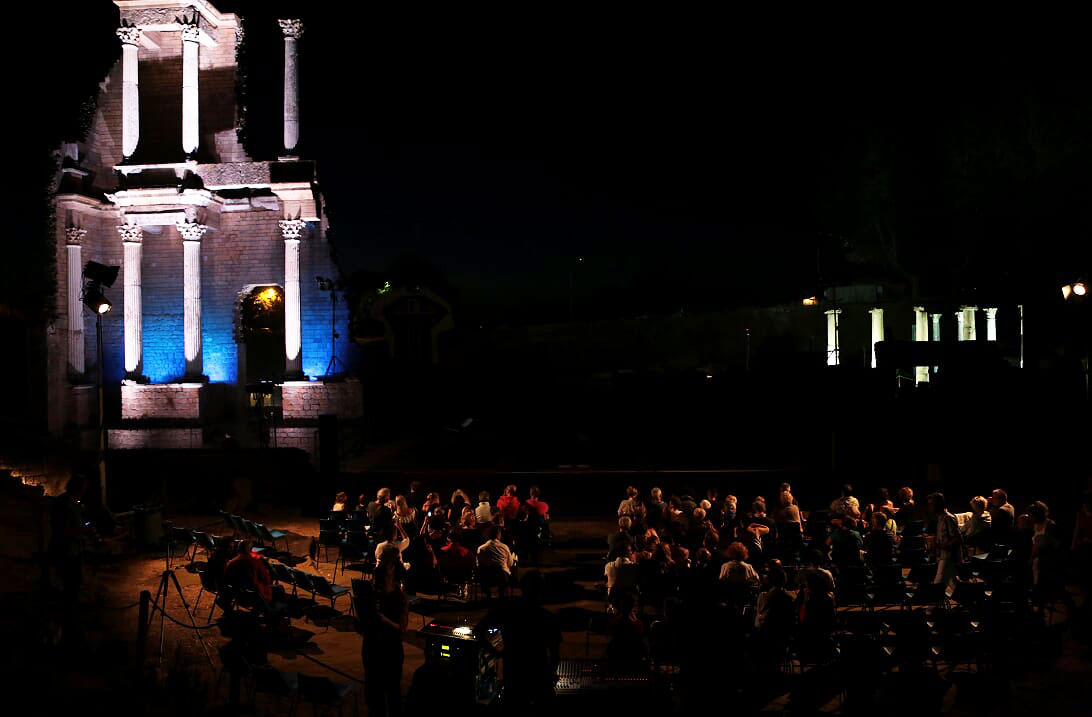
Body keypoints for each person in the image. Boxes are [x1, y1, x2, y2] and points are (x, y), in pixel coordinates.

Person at [477, 570, 562, 713]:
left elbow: (479, 631)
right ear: (542, 591)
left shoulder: (507, 611)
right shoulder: (547, 617)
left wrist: (498, 652)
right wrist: (551, 674)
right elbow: (555, 654)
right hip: (539, 676)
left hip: (513, 674)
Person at [51, 474, 94, 642]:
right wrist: (84, 532)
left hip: (72, 550)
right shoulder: (66, 504)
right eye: (83, 488)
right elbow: (65, 530)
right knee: (71, 587)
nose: (84, 492)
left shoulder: (72, 503)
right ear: (78, 488)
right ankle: (69, 626)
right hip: (67, 552)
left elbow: (78, 523)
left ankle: (71, 621)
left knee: (73, 586)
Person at [361, 565, 409, 717]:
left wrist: (383, 619)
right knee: (375, 693)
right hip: (372, 646)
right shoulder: (372, 595)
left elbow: (402, 627)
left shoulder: (399, 598)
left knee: (392, 690)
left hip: (390, 649)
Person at [929, 492, 961, 588]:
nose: (930, 507)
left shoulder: (948, 518)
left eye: (931, 504)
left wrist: (942, 545)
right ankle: (968, 600)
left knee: (938, 583)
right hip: (943, 555)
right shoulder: (940, 518)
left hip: (948, 556)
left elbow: (957, 537)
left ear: (938, 505)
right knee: (953, 583)